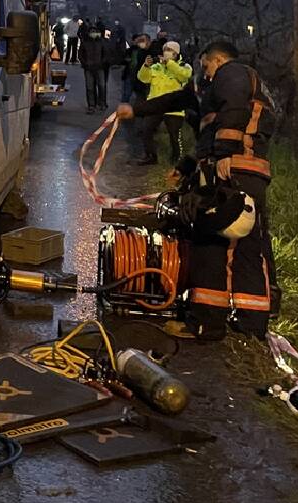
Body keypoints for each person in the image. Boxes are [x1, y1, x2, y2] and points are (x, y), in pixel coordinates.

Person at [116, 39, 278, 341]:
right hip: (247, 171)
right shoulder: (240, 85)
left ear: (217, 60)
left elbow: (233, 114)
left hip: (232, 169)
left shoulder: (233, 73)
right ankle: (251, 323)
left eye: (205, 66)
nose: (204, 74)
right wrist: (188, 165)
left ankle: (205, 322)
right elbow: (178, 102)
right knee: (247, 246)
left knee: (209, 243)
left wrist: (226, 152)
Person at [135, 39, 192, 165]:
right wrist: (145, 66)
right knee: (146, 130)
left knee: (174, 135)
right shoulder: (156, 66)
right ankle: (150, 156)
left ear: (176, 53)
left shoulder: (184, 66)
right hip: (155, 105)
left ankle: (177, 159)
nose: (166, 52)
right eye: (165, 50)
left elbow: (184, 76)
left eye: (170, 50)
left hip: (174, 107)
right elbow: (143, 78)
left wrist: (170, 64)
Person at [78, 20, 107, 113]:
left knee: (101, 86)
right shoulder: (85, 42)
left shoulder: (101, 42)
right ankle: (91, 105)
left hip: (99, 67)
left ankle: (101, 103)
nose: (93, 33)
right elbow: (80, 54)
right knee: (90, 87)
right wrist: (84, 64)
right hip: (88, 68)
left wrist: (102, 63)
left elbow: (105, 54)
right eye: (92, 31)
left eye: (95, 31)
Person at [123, 33, 151, 103]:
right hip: (131, 74)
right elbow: (123, 59)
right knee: (127, 94)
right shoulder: (132, 50)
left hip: (142, 76)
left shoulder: (148, 51)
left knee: (141, 95)